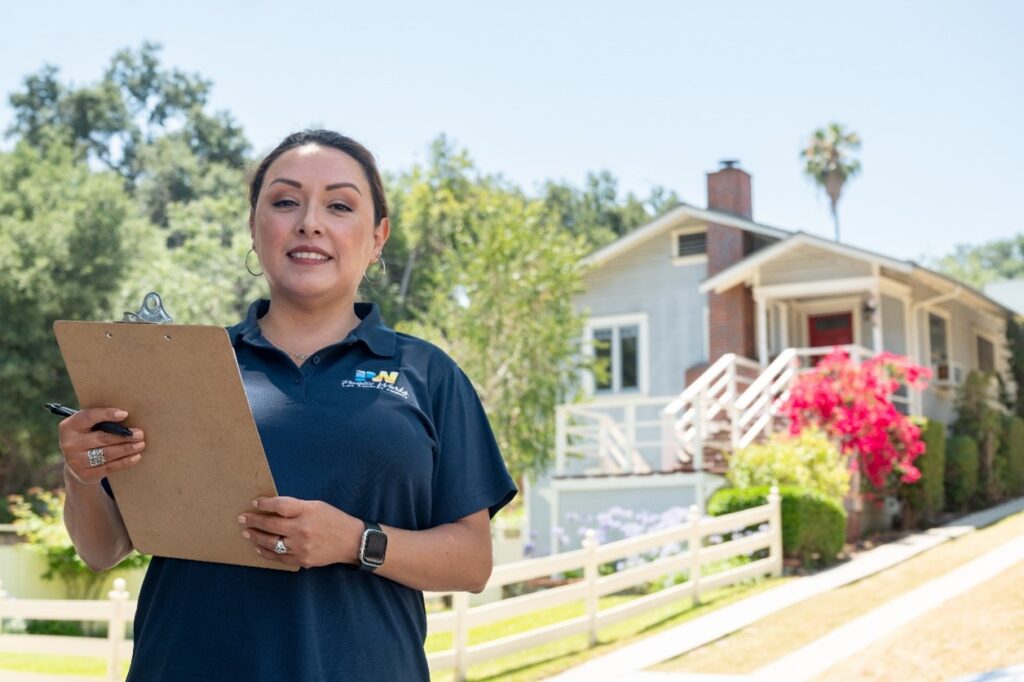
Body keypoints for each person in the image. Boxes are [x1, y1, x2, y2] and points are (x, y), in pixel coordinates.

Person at [58, 129, 518, 680]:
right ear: (255, 227)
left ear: (378, 237)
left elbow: (472, 562)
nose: (310, 222)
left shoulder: (428, 374)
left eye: (340, 205)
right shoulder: (180, 366)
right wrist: (81, 474)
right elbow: (104, 548)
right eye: (284, 201)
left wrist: (354, 541)